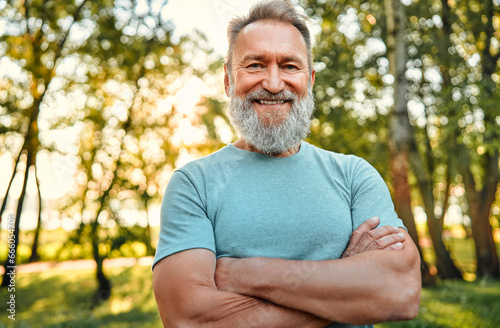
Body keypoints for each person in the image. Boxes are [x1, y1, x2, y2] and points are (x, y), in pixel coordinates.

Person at [152, 1, 421, 327]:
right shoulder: (193, 184)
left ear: (310, 79)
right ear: (227, 80)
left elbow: (401, 291)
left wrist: (248, 273)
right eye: (255, 65)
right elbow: (189, 320)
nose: (274, 83)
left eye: (290, 66)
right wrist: (344, 287)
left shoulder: (354, 176)